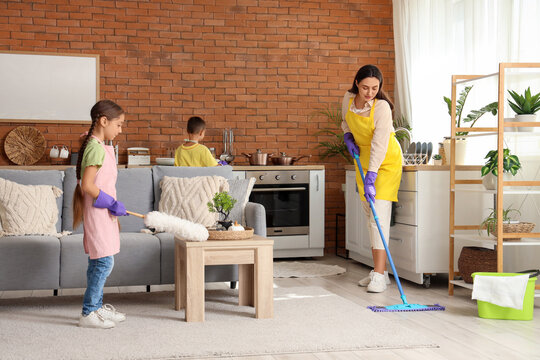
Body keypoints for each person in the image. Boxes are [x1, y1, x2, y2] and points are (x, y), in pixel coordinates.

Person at [341, 65, 403, 293]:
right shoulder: (348, 99)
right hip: (363, 160)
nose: (369, 92)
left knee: (379, 214)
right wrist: (347, 136)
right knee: (370, 216)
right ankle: (381, 273)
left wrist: (372, 176)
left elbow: (380, 144)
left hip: (385, 162)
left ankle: (378, 274)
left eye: (375, 88)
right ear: (357, 83)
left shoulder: (382, 107)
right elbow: (345, 122)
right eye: (365, 87)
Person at [73, 100, 128, 328]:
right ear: (104, 121)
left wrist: (112, 204)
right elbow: (87, 185)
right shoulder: (95, 147)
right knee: (103, 261)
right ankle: (89, 312)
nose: (120, 129)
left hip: (103, 212)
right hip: (98, 211)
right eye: (119, 124)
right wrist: (110, 202)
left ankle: (96, 307)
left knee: (101, 261)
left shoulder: (96, 144)